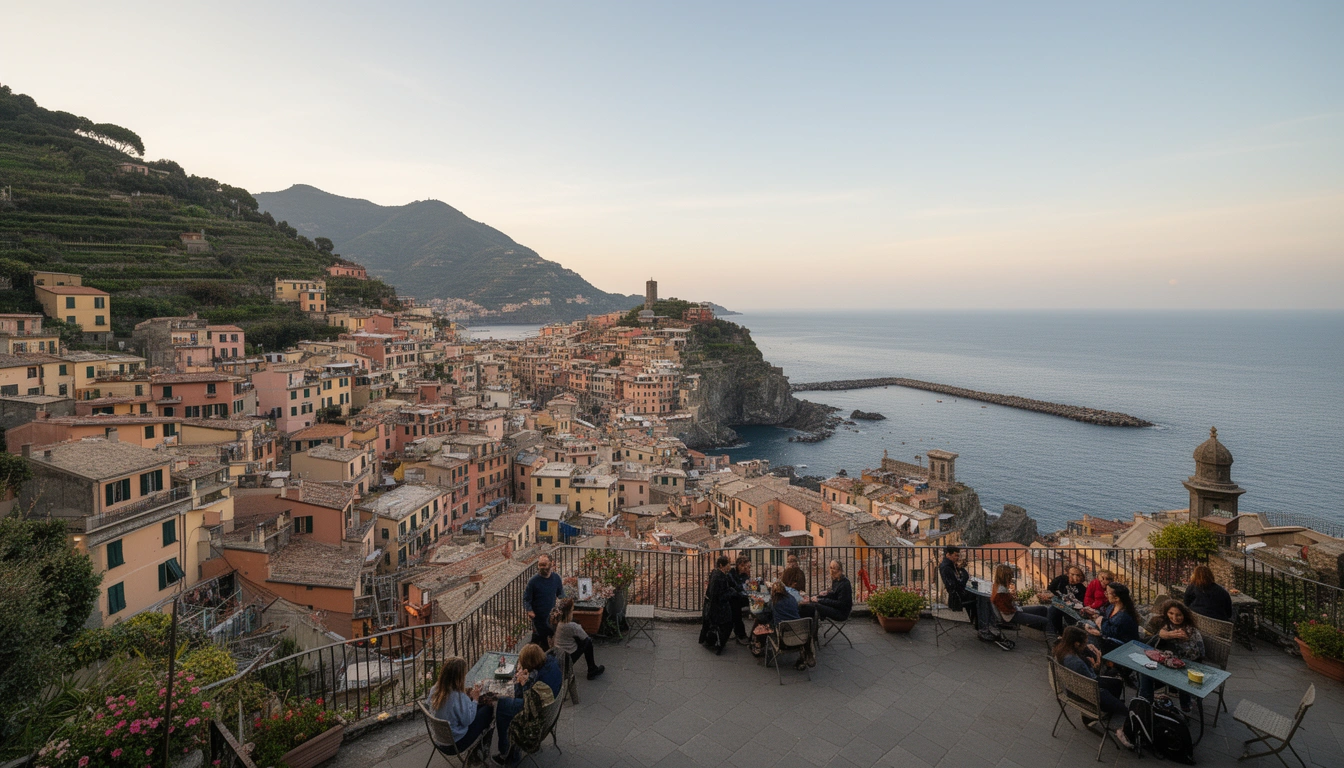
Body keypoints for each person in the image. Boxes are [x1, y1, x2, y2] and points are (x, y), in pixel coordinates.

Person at [1053, 626, 1132, 749]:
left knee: (1116, 683)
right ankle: (1116, 727)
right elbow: (1093, 679)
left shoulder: (1061, 650)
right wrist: (1098, 660)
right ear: (1076, 644)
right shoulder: (1076, 662)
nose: (1086, 645)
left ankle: (1109, 707)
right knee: (1124, 711)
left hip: (1072, 688)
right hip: (1088, 694)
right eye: (1084, 643)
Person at [493, 644, 560, 765]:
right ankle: (509, 750)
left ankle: (505, 752)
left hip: (537, 712)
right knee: (507, 704)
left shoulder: (534, 677)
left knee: (503, 705)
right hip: (549, 708)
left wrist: (522, 683)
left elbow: (526, 697)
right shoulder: (551, 662)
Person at [1140, 601, 1204, 712]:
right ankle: (1145, 702)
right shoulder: (1167, 625)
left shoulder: (1190, 630)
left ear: (1185, 615)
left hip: (1187, 664)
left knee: (1179, 678)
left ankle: (1186, 705)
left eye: (1178, 615)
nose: (1174, 617)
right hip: (1168, 662)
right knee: (1145, 671)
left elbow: (1198, 654)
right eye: (1171, 613)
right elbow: (1151, 629)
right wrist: (1166, 635)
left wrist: (1183, 640)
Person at [427, 656, 495, 755]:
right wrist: (475, 699)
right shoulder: (457, 696)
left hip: (439, 739)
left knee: (480, 708)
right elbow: (468, 720)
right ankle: (483, 747)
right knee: (488, 710)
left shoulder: (435, 689)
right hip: (455, 744)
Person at [799, 560, 852, 643]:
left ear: (839, 570)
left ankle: (811, 633)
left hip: (841, 613)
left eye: (833, 568)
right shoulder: (836, 579)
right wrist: (824, 594)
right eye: (830, 567)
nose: (831, 570)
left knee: (815, 606)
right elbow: (834, 594)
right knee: (814, 599)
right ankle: (811, 631)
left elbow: (840, 604)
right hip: (835, 607)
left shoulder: (845, 584)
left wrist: (820, 600)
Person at [551, 598, 605, 681]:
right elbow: (584, 636)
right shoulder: (572, 626)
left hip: (558, 652)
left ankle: (592, 669)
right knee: (588, 642)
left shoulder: (559, 622)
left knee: (580, 640)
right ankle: (592, 669)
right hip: (567, 656)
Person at [1083, 582, 1141, 655]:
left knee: (1088, 637)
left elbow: (1112, 633)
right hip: (1107, 635)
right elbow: (1104, 616)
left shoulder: (1123, 616)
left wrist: (1099, 632)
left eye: (1108, 593)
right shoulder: (1112, 606)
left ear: (1116, 598)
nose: (1105, 594)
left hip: (1120, 645)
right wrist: (1095, 613)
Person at [990, 564, 1050, 632]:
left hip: (1014, 610)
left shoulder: (997, 585)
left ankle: (1041, 630)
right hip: (1011, 616)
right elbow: (1007, 611)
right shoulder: (1001, 592)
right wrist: (1016, 606)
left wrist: (1012, 600)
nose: (1011, 578)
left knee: (1042, 609)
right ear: (1005, 577)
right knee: (1046, 621)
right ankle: (1051, 638)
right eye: (1010, 576)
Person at [522, 555, 563, 650]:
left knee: (547, 642)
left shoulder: (556, 578)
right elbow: (527, 599)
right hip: (538, 618)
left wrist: (565, 604)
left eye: (544, 565)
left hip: (551, 617)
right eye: (540, 565)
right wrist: (529, 610)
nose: (541, 567)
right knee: (540, 642)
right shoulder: (533, 581)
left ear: (551, 563)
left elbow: (560, 594)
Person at [937, 545, 981, 633]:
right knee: (979, 598)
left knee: (977, 596)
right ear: (948, 555)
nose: (957, 557)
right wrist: (964, 574)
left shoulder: (949, 566)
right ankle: (979, 625)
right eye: (955, 555)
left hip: (957, 595)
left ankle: (977, 623)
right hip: (957, 597)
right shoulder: (947, 568)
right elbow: (958, 584)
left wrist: (959, 569)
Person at [699, 555, 735, 654]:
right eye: (728, 564)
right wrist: (731, 592)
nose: (729, 566)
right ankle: (720, 643)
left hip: (714, 607)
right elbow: (720, 596)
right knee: (730, 622)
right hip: (719, 609)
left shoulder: (717, 574)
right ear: (721, 565)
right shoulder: (720, 578)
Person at [1039, 565, 1088, 635]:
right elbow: (1050, 588)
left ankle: (1066, 635)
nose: (1075, 577)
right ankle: (1052, 632)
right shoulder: (1062, 580)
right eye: (1072, 574)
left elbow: (1081, 602)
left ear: (1081, 577)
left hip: (1071, 608)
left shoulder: (1081, 588)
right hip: (1059, 604)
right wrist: (1053, 595)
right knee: (1053, 610)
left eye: (1078, 575)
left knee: (1071, 617)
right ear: (1068, 574)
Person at [728, 555, 753, 643]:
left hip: (740, 597)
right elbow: (735, 587)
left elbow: (745, 586)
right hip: (732, 597)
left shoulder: (744, 575)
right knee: (736, 608)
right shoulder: (731, 573)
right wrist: (744, 585)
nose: (748, 568)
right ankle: (740, 634)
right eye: (747, 566)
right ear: (740, 565)